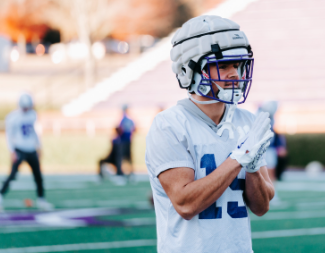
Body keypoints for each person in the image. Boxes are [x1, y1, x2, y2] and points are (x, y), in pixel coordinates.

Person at [146, 15, 275, 253]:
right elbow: (185, 204)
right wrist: (238, 159)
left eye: (237, 65)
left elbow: (261, 206)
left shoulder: (246, 121)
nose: (235, 74)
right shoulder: (169, 125)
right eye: (223, 65)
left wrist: (253, 167)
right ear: (190, 69)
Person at [0, 93, 53, 211]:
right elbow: (9, 135)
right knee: (12, 175)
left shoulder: (33, 115)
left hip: (31, 149)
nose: (26, 108)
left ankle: (41, 200)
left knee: (38, 176)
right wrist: (12, 151)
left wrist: (39, 146)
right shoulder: (13, 117)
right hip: (19, 149)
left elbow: (35, 132)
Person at [118, 104, 136, 176]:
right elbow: (134, 129)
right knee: (128, 157)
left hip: (124, 141)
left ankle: (122, 172)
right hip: (128, 140)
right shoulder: (129, 120)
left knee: (122, 157)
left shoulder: (123, 120)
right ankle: (130, 172)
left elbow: (120, 130)